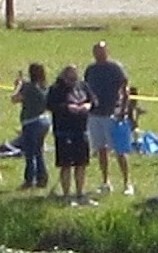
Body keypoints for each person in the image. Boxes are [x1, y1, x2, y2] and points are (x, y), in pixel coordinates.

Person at [84, 41, 132, 194]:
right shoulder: (91, 69)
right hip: (95, 114)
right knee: (101, 149)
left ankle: (127, 183)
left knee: (119, 150)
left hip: (112, 114)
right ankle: (105, 181)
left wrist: (123, 110)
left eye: (102, 51)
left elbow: (125, 90)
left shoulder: (115, 68)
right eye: (96, 51)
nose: (99, 54)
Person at [50, 64, 93, 204]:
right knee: (66, 164)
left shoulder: (83, 86)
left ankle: (80, 193)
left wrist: (88, 105)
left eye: (74, 74)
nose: (73, 77)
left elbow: (94, 100)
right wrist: (68, 107)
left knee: (81, 163)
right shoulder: (56, 89)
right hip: (64, 131)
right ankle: (66, 195)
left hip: (81, 130)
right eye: (69, 75)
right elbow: (51, 105)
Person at [13, 63, 50, 191]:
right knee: (39, 151)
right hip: (44, 120)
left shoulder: (28, 87)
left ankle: (29, 180)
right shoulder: (44, 87)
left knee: (30, 153)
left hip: (31, 122)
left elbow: (15, 99)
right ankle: (42, 178)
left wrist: (18, 86)